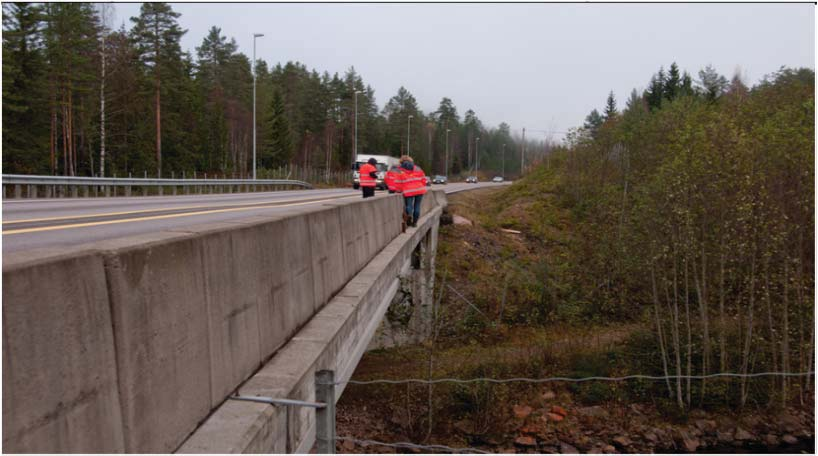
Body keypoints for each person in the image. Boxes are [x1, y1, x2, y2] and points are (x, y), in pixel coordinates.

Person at [399, 155, 427, 227]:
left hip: (408, 190)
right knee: (417, 206)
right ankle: (414, 223)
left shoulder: (400, 169)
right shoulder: (417, 168)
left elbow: (399, 181)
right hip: (419, 189)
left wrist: (400, 189)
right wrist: (422, 186)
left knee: (409, 205)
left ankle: (409, 215)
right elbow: (423, 179)